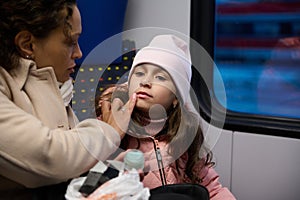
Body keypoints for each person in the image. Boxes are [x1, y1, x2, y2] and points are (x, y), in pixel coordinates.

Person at [0, 0, 136, 199]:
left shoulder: (55, 86)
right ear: (27, 44)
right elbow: (49, 156)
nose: (79, 53)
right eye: (71, 42)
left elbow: (73, 166)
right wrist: (110, 131)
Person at [96, 34, 236, 199]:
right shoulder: (109, 126)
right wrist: (109, 136)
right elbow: (91, 181)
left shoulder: (185, 137)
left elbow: (212, 189)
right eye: (139, 73)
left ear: (176, 98)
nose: (145, 82)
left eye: (160, 77)